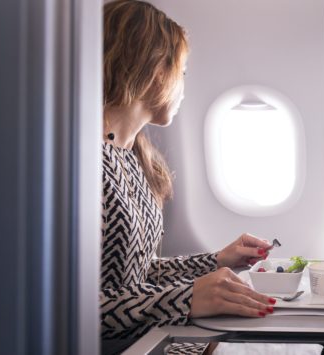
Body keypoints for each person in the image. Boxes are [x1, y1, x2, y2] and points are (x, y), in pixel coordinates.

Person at [100, 1, 275, 354]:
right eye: (182, 73)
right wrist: (187, 297)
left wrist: (217, 261)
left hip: (151, 339)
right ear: (154, 70)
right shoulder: (80, 166)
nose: (183, 86)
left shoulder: (131, 156)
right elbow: (75, 309)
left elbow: (139, 275)